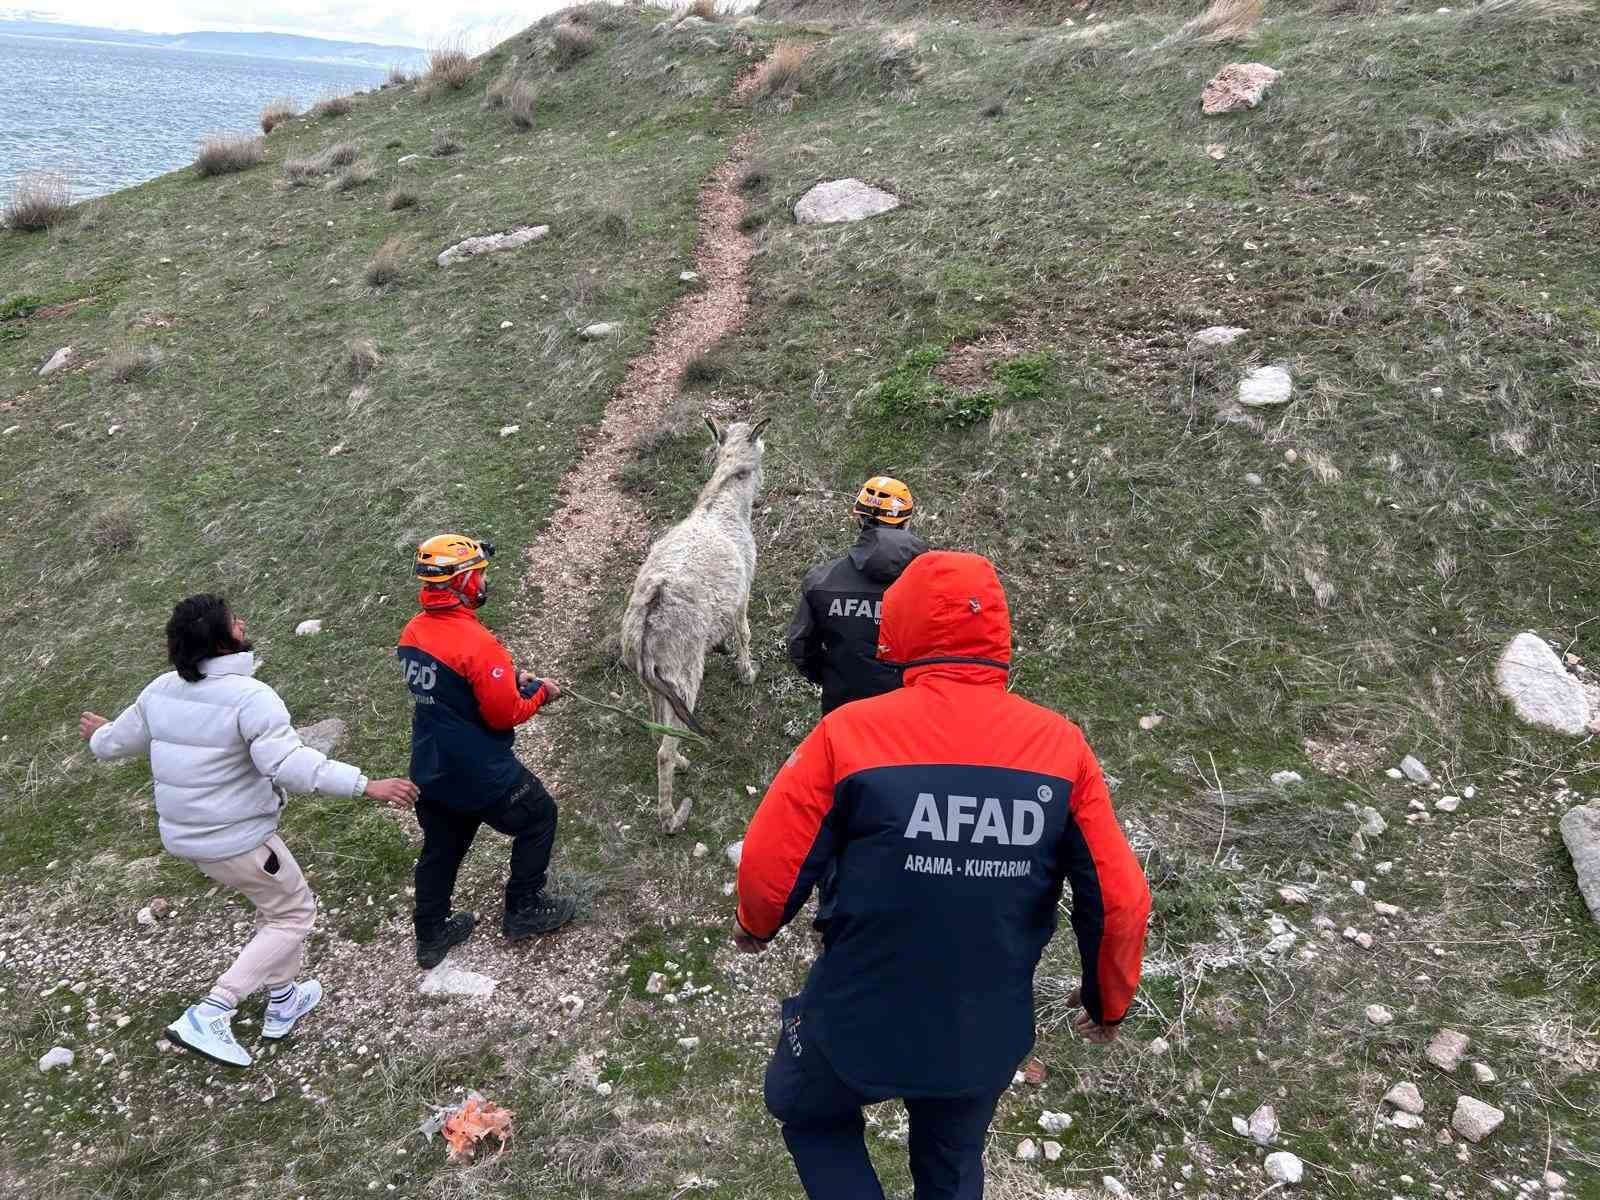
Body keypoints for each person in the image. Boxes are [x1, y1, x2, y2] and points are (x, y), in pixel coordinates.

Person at [734, 551, 1152, 1200]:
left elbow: (770, 857)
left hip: (855, 1017)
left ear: (898, 629)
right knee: (953, 1160)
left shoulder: (849, 734)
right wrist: (1109, 1003)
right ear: (999, 636)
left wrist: (757, 926)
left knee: (806, 1109)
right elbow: (1121, 899)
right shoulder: (1062, 748)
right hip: (983, 1030)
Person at [80, 593, 419, 1068]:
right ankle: (214, 1009)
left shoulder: (159, 690)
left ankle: (284, 1001)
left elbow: (118, 741)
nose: (242, 622)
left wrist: (99, 734)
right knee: (295, 914)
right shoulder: (249, 697)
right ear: (221, 642)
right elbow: (288, 765)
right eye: (233, 622)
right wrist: (368, 785)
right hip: (237, 839)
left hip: (189, 837)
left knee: (274, 908)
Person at [397, 533, 577, 969]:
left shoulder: (413, 632)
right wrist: (538, 694)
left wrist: (507, 677)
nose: (482, 582)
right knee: (539, 817)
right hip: (480, 772)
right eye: (478, 574)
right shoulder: (477, 643)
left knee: (441, 849)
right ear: (460, 582)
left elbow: (454, 688)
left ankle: (431, 932)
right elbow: (504, 715)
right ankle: (524, 908)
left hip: (432, 766)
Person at [785, 476, 930, 716]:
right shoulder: (937, 584)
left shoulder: (822, 581)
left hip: (844, 713)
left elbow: (800, 648)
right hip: (913, 718)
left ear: (860, 519)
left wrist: (834, 678)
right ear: (906, 522)